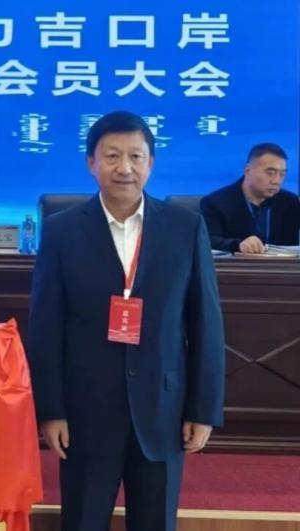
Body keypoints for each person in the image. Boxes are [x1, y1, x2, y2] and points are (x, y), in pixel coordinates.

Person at [27, 111, 225, 531]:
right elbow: (46, 327)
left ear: (151, 162)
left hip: (163, 411)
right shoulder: (62, 231)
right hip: (85, 413)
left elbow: (205, 323)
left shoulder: (185, 228)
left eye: (135, 156)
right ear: (91, 163)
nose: (124, 168)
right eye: (112, 155)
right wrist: (50, 410)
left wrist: (203, 408)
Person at [201, 143, 300, 253]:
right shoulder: (216, 203)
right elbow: (207, 241)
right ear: (248, 170)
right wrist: (238, 245)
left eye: (282, 174)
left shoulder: (291, 202)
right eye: (270, 173)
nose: (276, 181)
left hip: (282, 264)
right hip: (237, 263)